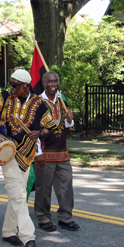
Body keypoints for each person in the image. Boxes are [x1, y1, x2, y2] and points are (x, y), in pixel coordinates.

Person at [0, 69, 56, 247]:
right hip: (7, 152)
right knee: (19, 194)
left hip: (27, 154)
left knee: (15, 194)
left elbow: (49, 127)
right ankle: (28, 237)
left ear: (25, 86)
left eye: (15, 85)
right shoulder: (3, 97)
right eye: (10, 83)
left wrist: (40, 133)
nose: (11, 87)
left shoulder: (40, 104)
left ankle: (8, 231)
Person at [33, 71, 79, 232]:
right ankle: (43, 217)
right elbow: (34, 130)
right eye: (49, 82)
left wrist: (69, 119)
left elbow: (66, 125)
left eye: (55, 82)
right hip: (44, 152)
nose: (53, 85)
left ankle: (65, 217)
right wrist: (37, 153)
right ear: (44, 83)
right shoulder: (37, 102)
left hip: (62, 151)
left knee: (66, 185)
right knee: (43, 188)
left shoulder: (62, 99)